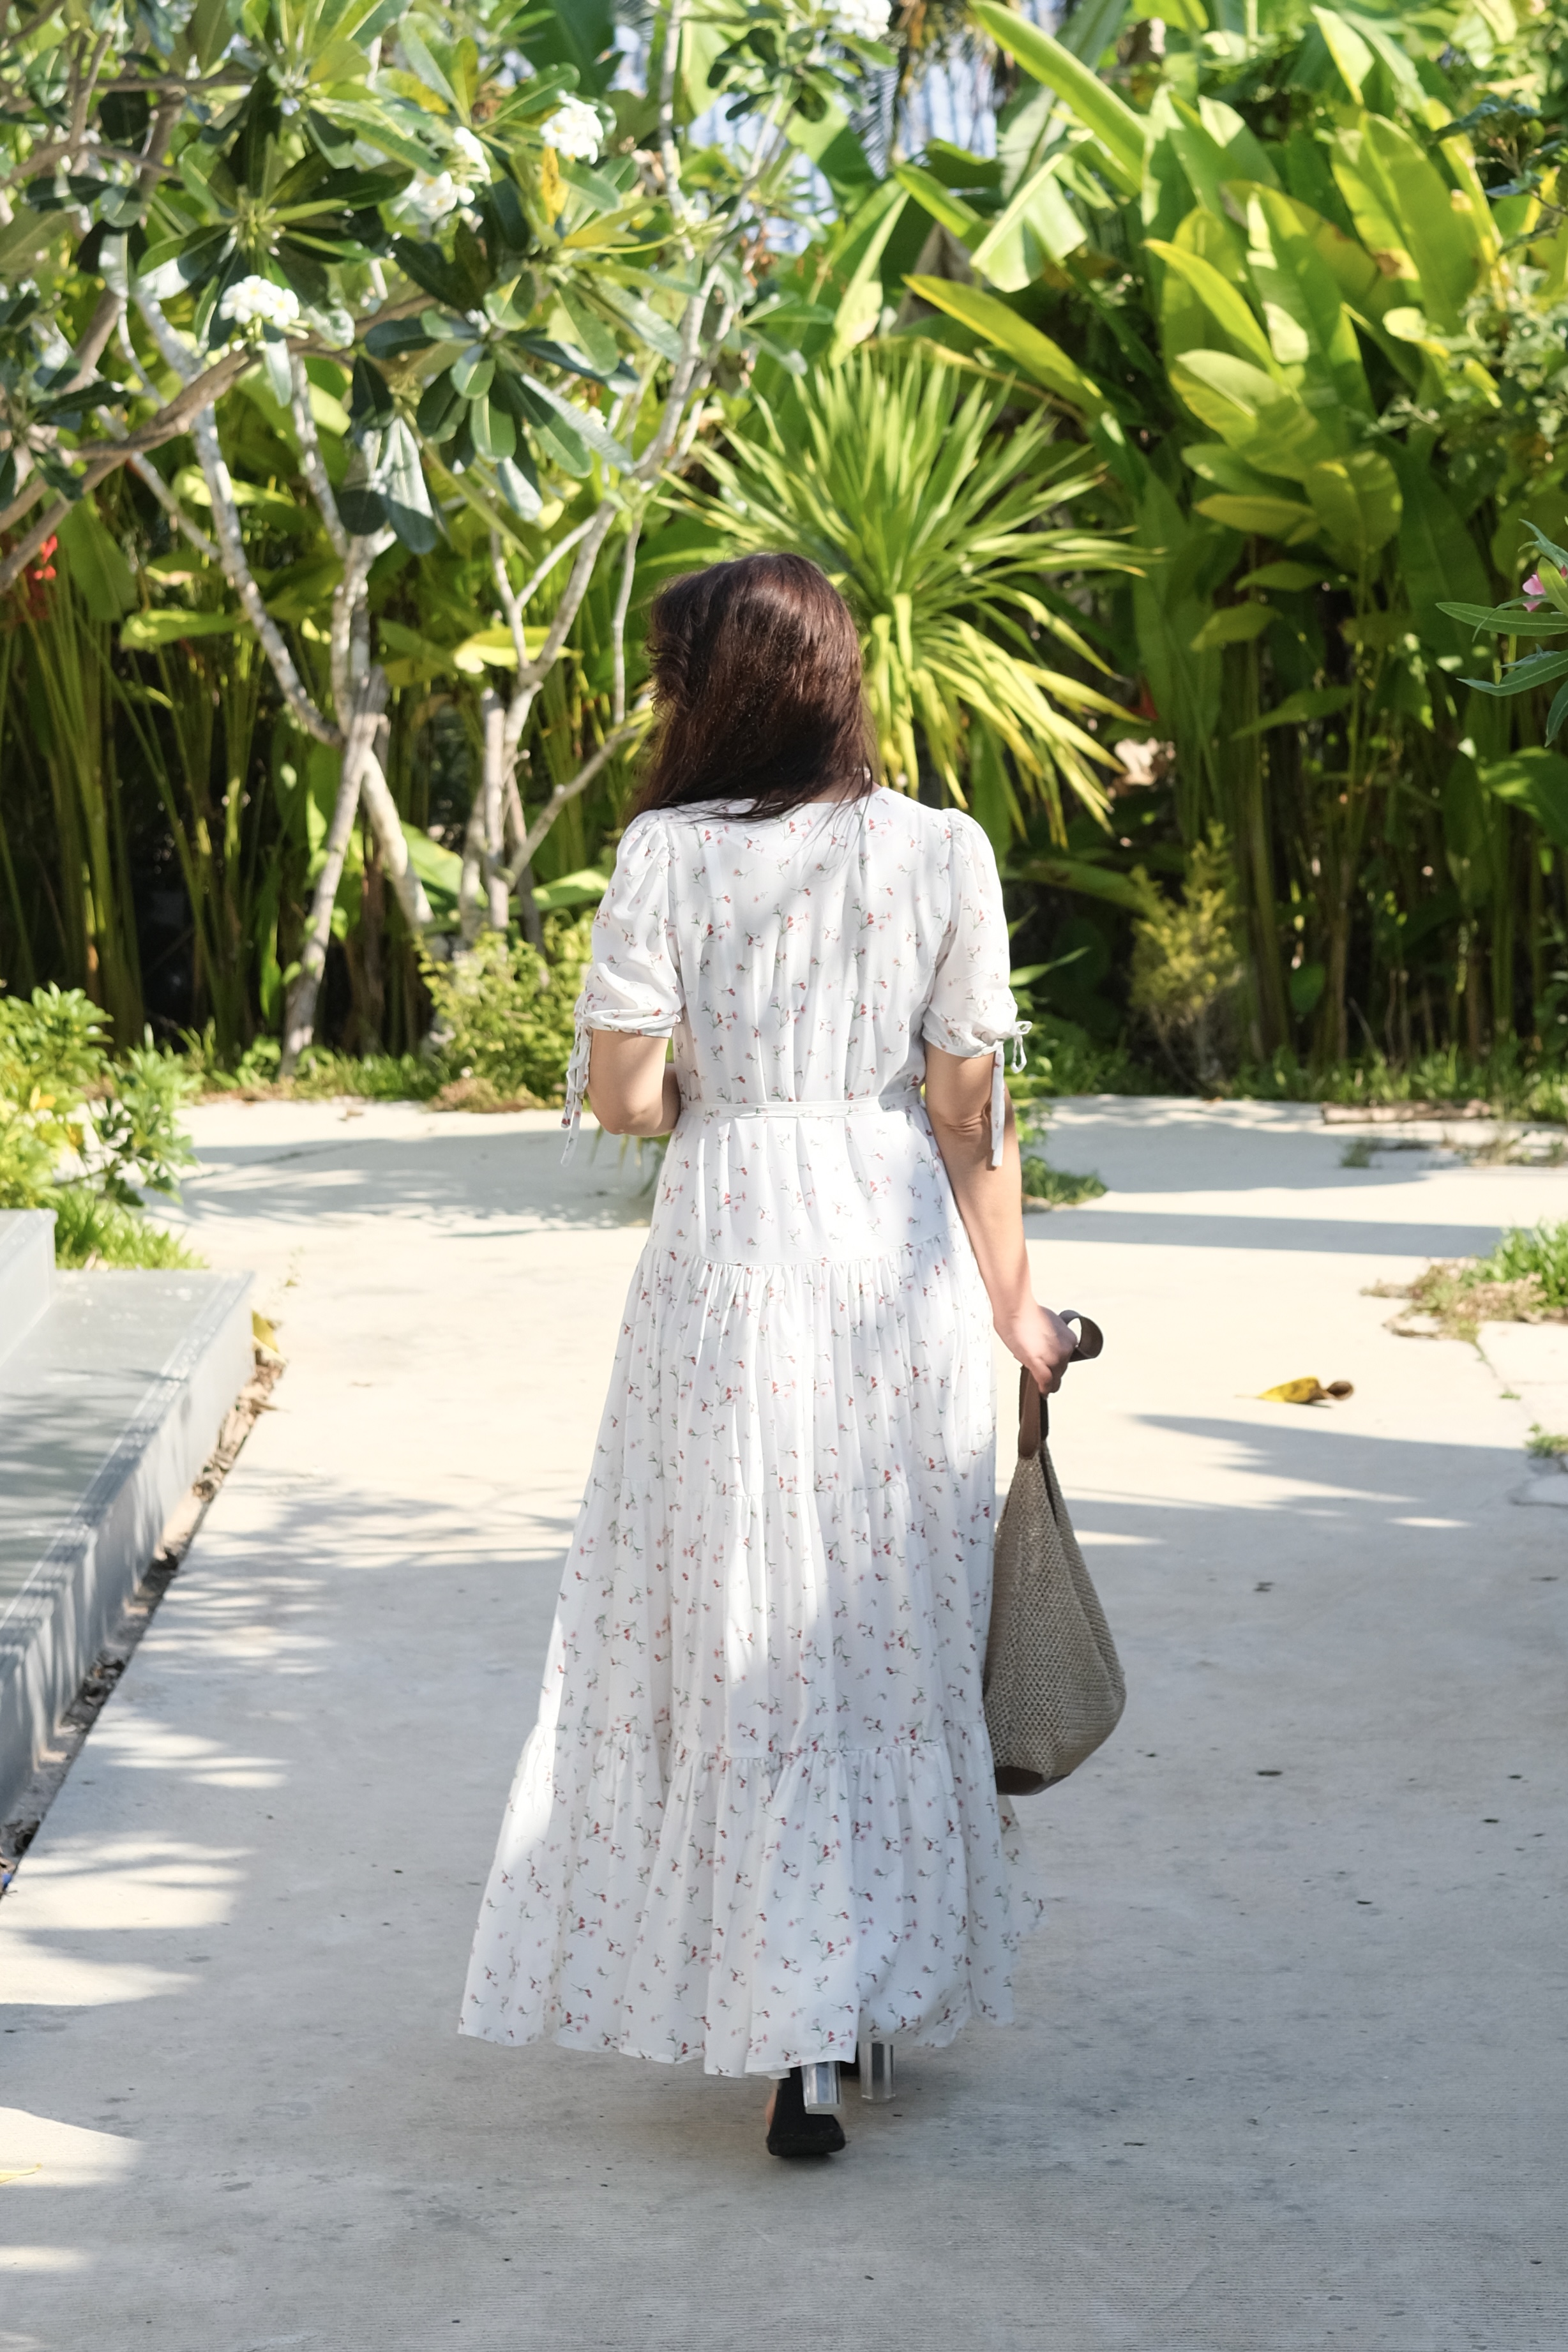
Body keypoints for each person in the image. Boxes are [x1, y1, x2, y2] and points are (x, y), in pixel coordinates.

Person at [460, 552, 1079, 2157]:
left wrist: (720, 1095)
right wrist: (1015, 1305)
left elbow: (623, 1098)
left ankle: (787, 2025)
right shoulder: (942, 848)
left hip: (730, 1250)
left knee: (746, 1623)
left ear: (716, 691)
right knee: (882, 1625)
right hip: (886, 1254)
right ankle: (855, 1995)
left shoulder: (666, 854)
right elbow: (969, 1109)